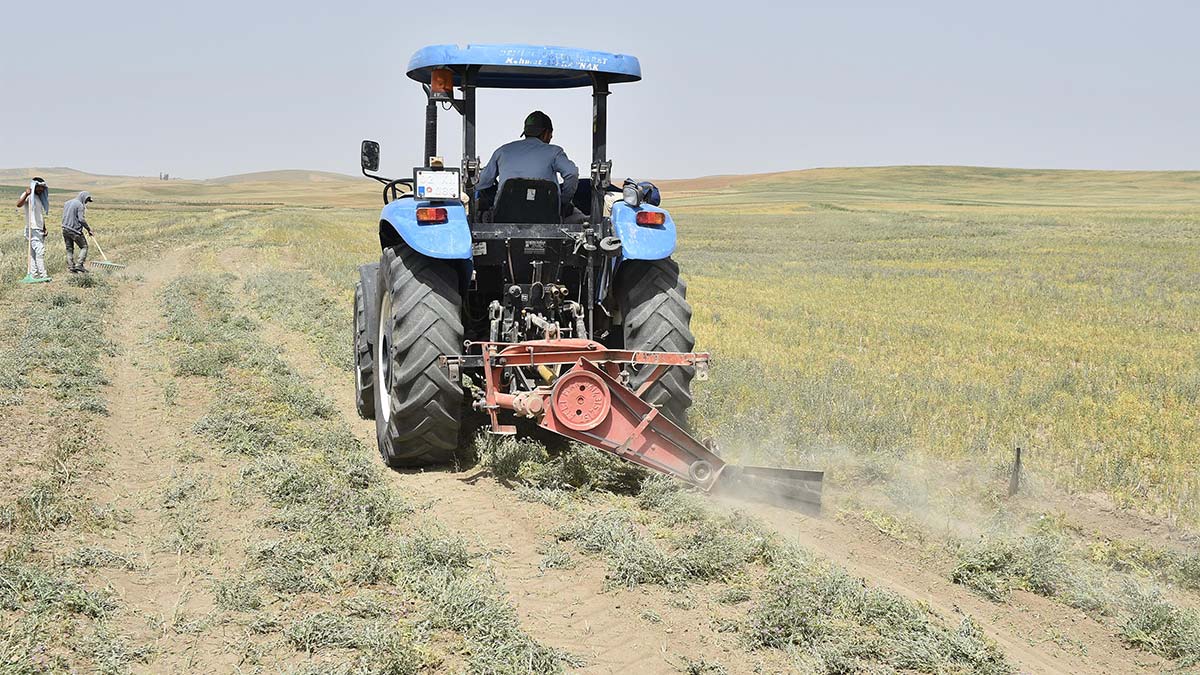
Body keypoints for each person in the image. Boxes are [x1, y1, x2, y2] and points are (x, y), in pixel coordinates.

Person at [477, 110, 582, 222]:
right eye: (551, 134)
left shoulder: (502, 151)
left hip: (505, 215)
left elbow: (482, 182)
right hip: (547, 216)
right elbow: (572, 173)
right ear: (546, 133)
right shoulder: (554, 152)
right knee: (579, 217)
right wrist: (563, 201)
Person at [16, 177, 50, 281]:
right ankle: (43, 275)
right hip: (32, 228)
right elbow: (18, 204)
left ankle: (33, 275)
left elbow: (39, 215)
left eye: (43, 188)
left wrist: (44, 227)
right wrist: (26, 194)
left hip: (38, 229)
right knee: (40, 251)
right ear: (34, 186)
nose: (41, 190)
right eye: (39, 187)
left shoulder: (38, 198)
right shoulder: (28, 195)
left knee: (34, 253)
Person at [60, 191, 94, 273]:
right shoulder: (80, 205)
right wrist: (89, 229)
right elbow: (81, 219)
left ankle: (71, 267)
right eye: (87, 200)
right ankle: (79, 264)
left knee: (69, 249)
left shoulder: (67, 203)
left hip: (65, 229)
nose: (86, 202)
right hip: (74, 230)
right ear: (83, 197)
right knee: (84, 247)